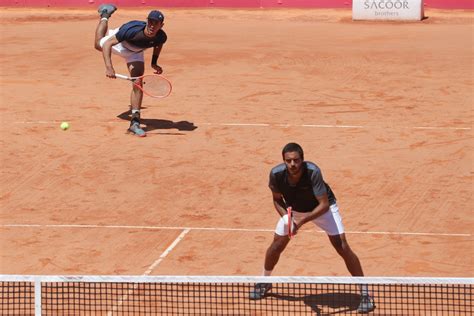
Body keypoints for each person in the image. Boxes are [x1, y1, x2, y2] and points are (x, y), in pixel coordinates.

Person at [250, 142, 375, 314]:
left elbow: (323, 205)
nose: (293, 164)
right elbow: (277, 199)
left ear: (302, 160)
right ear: (284, 161)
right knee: (276, 246)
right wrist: (288, 218)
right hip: (295, 211)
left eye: (296, 160)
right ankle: (264, 281)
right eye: (288, 161)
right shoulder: (276, 174)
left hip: (322, 209)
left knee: (342, 246)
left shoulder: (313, 172)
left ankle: (365, 293)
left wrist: (300, 223)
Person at [94, 4, 167, 137]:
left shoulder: (161, 37)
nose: (152, 25)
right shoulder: (131, 30)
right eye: (150, 21)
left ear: (161, 26)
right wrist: (109, 67)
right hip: (119, 44)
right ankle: (105, 14)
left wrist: (154, 63)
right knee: (98, 44)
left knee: (138, 82)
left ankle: (135, 122)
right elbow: (108, 44)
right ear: (147, 21)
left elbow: (158, 44)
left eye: (156, 23)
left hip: (135, 52)